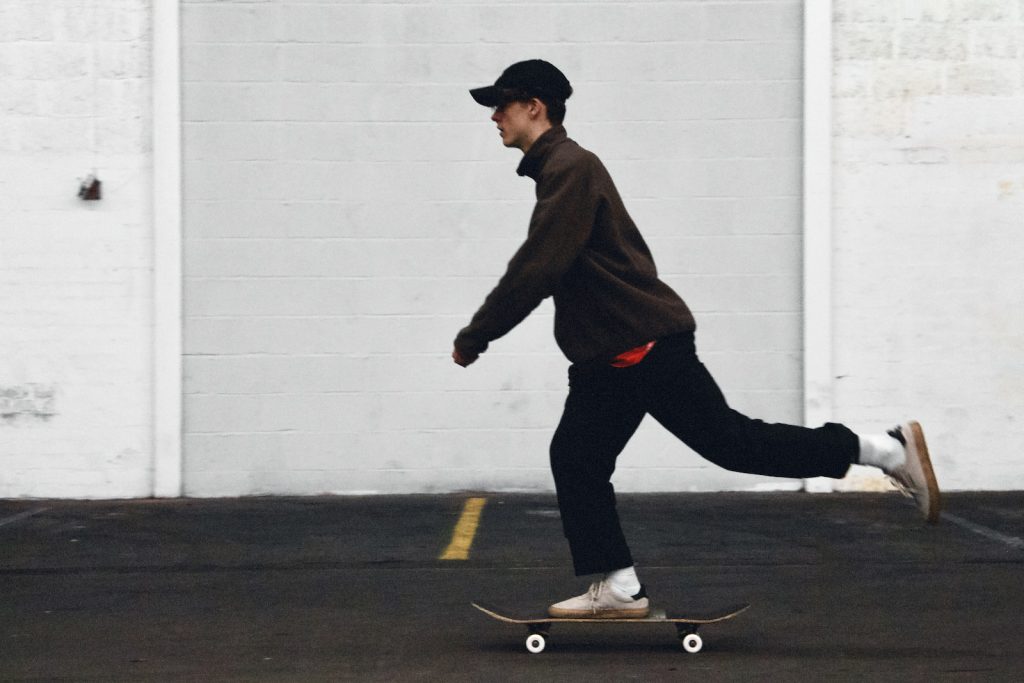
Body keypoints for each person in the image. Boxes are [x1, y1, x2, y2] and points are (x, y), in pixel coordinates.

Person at [451, 59, 941, 619]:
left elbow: (536, 269)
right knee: (577, 458)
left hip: (642, 348)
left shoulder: (570, 168)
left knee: (734, 445)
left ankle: (885, 448)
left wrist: (477, 335)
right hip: (609, 358)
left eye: (502, 104)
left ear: (533, 107)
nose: (494, 115)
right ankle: (620, 588)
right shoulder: (558, 169)